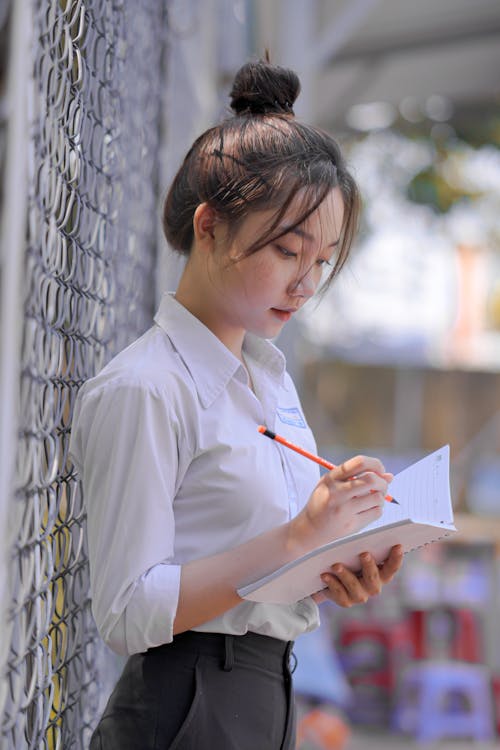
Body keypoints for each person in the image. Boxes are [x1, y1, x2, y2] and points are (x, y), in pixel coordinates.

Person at [69, 58, 403, 750]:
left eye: (323, 261)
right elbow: (128, 610)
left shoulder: (267, 378)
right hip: (186, 704)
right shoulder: (147, 387)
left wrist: (331, 565)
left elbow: (243, 571)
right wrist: (296, 539)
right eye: (288, 251)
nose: (306, 282)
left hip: (265, 692)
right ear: (210, 227)